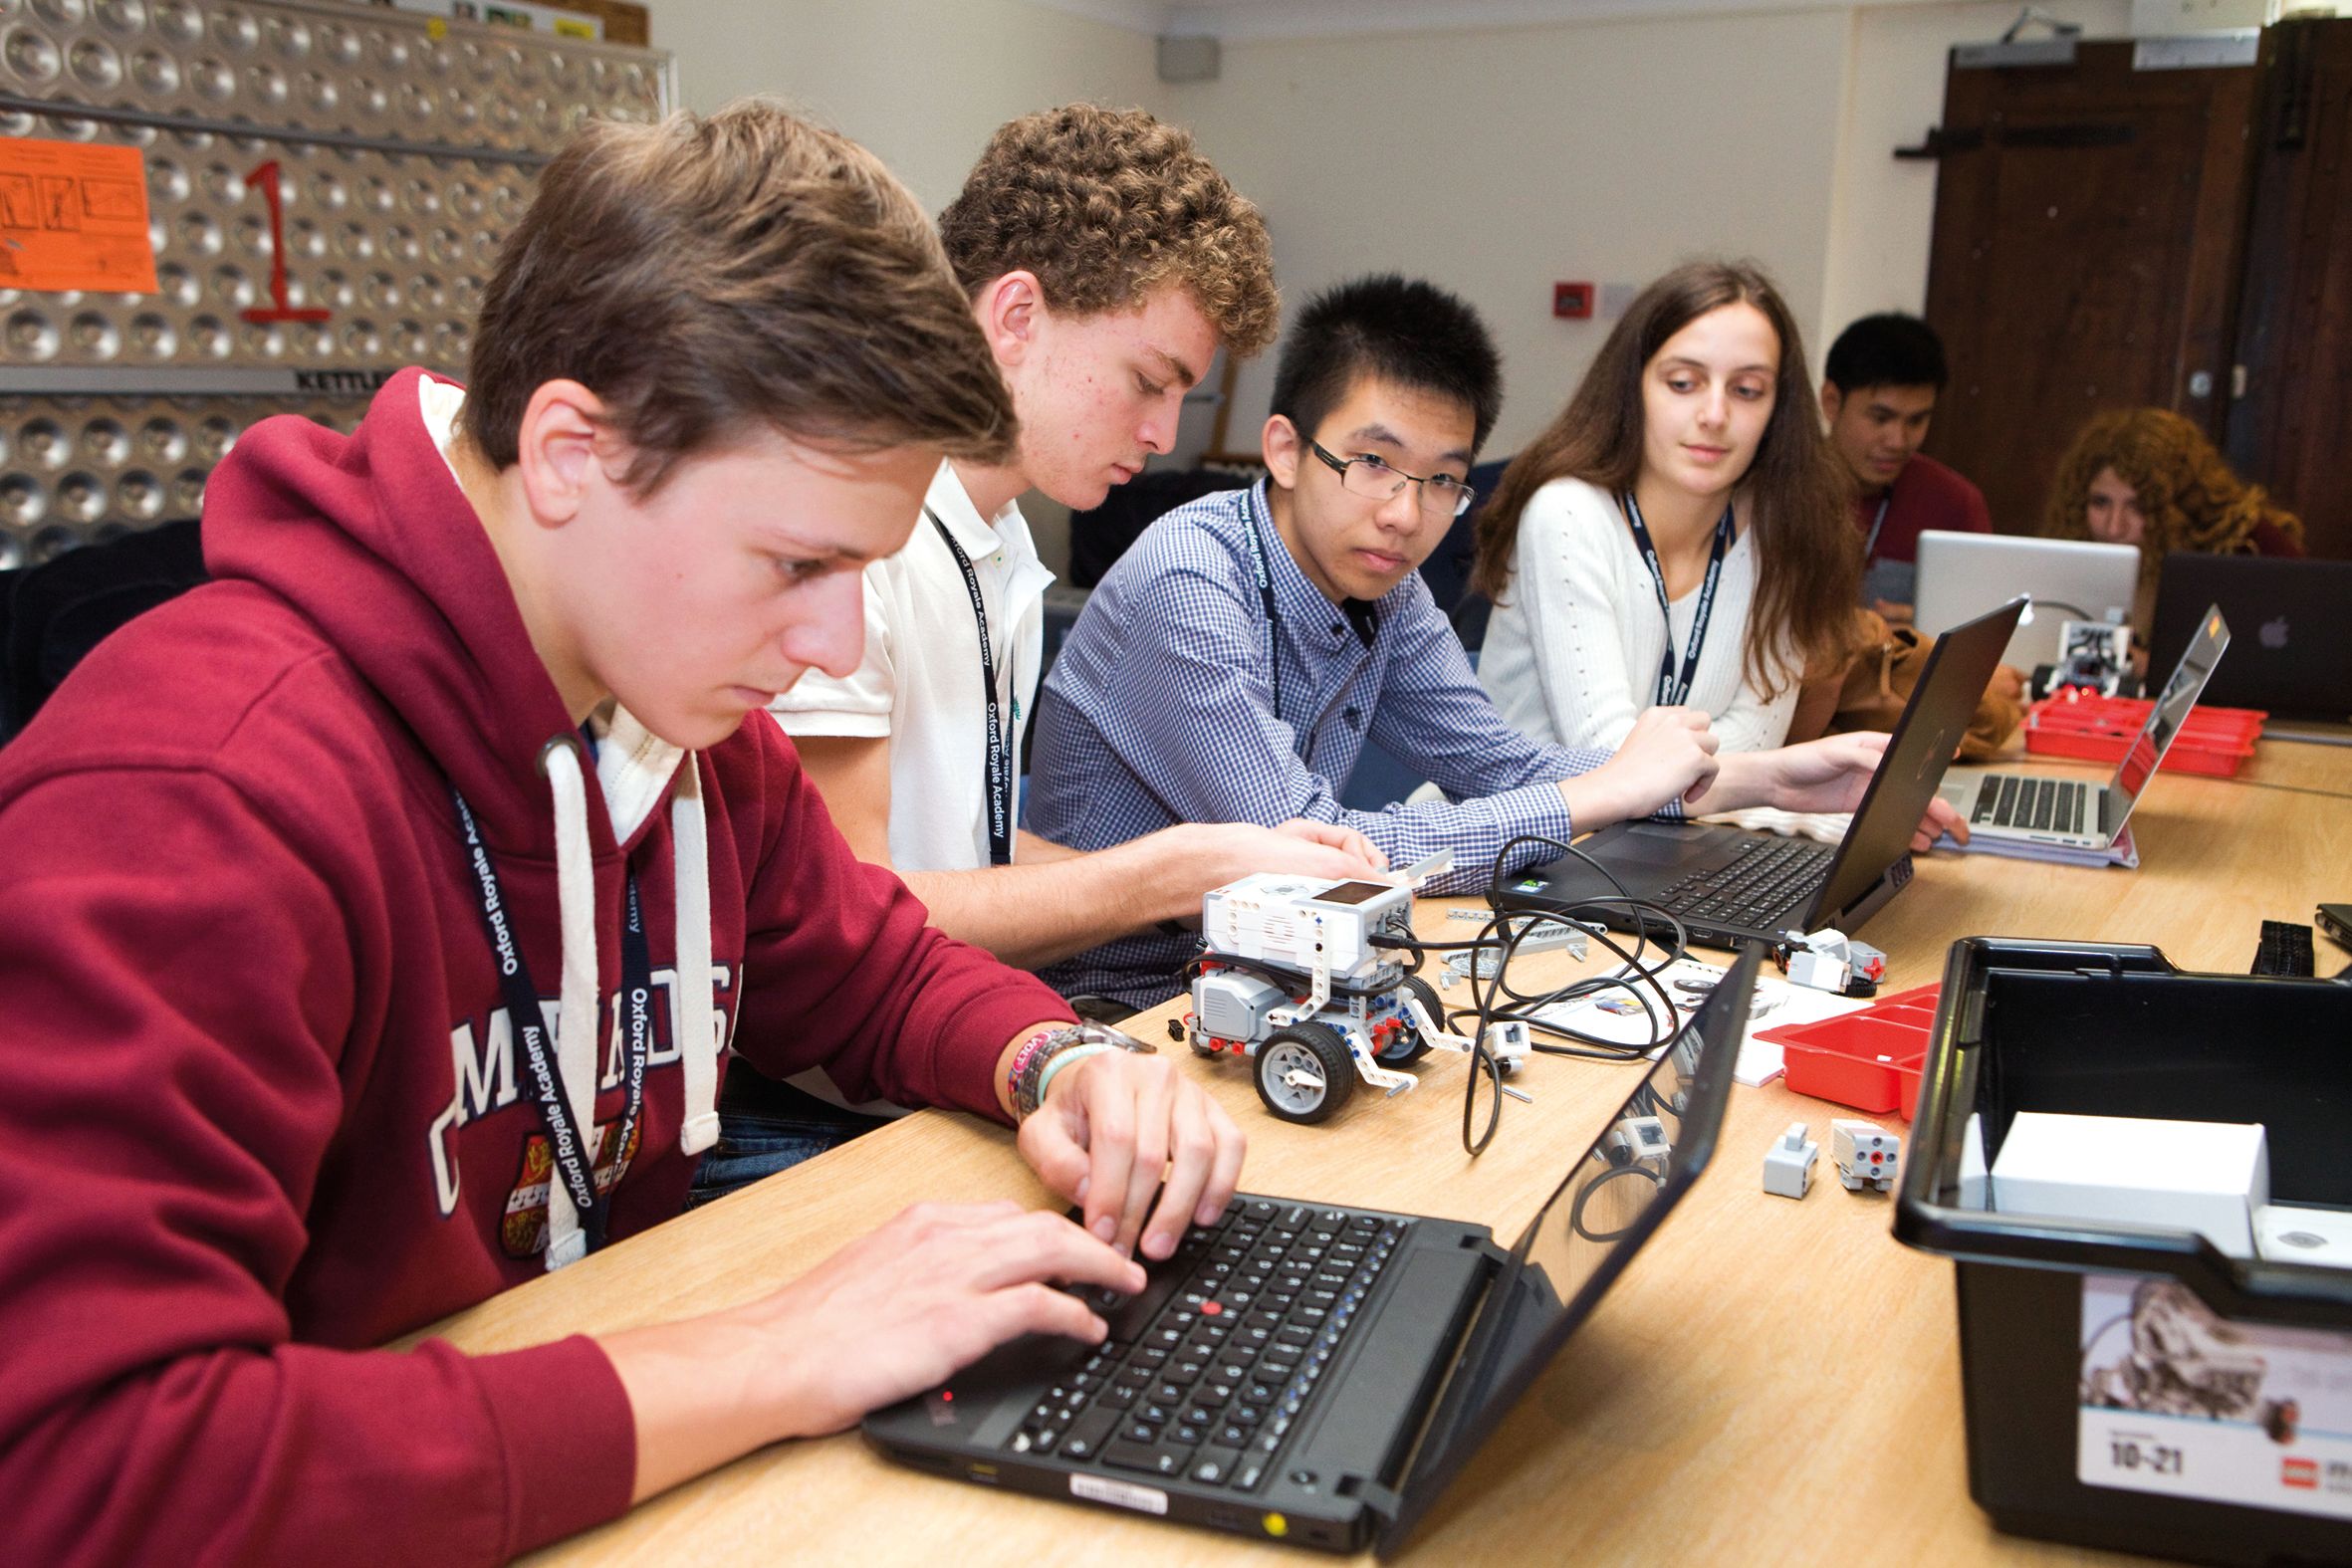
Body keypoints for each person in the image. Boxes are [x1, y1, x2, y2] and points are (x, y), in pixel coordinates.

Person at [0, 103, 1248, 1563]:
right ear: (569, 453)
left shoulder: (678, 714)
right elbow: (88, 1467)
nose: (833, 634)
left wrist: (1063, 1058)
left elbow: (871, 969)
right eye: (798, 560)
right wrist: (778, 1348)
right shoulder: (198, 796)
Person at [1026, 275, 1965, 1011]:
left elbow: (1499, 763)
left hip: (1274, 982)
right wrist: (1596, 791)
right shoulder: (1192, 581)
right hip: (1121, 1009)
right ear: (1282, 449)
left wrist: (1773, 777)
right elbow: (1319, 862)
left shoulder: (1380, 587)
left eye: (1442, 480)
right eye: (1372, 463)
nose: (1405, 514)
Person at [733, 105, 1378, 1169]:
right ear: (1017, 316)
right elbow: (859, 912)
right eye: (1147, 381)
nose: (1165, 435)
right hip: (819, 1114)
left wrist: (1225, 874)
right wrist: (1178, 868)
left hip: (939, 1063)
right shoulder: (859, 545)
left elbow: (964, 845)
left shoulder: (998, 541)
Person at [1473, 260, 1859, 755]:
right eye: (1683, 383)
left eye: (1746, 391)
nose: (1714, 415)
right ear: (1634, 388)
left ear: (1776, 409)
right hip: (1527, 828)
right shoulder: (1567, 514)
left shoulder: (1784, 529)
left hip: (1681, 828)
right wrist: (1771, 775)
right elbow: (1606, 757)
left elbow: (1758, 737)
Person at [2043, 405, 2305, 635]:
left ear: (2180, 505)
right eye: (2100, 502)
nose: (2114, 527)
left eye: (2138, 506)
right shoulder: (2073, 558)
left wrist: (2151, 668)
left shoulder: (2250, 544)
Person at [1816, 312, 1993, 619]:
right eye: (1880, 418)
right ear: (1831, 401)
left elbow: (1982, 630)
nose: (1898, 441)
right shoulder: (1773, 488)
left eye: (1916, 420)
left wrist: (1930, 632)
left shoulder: (1956, 503)